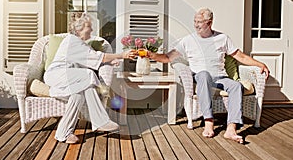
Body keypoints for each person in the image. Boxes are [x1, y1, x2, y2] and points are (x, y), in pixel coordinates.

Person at [147, 8, 269, 144]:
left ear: (209, 23)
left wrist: (259, 64)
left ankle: (231, 128)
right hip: (200, 77)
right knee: (204, 75)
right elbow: (168, 57)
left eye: (199, 22)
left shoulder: (222, 38)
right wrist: (152, 55)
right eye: (195, 21)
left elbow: (239, 56)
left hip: (220, 78)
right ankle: (209, 121)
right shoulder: (188, 40)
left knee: (235, 85)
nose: (196, 24)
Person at [44, 13, 136, 144]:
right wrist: (122, 55)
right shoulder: (72, 41)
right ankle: (100, 121)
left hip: (69, 78)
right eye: (89, 27)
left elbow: (91, 58)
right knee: (88, 75)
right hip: (57, 75)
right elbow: (98, 57)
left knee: (78, 95)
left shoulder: (80, 43)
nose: (92, 30)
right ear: (78, 29)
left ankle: (63, 133)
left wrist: (110, 62)